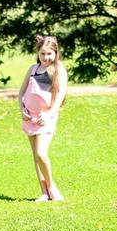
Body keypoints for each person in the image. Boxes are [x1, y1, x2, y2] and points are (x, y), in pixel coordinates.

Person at [19, 34, 68, 201]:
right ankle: (44, 193)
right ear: (38, 53)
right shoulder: (33, 69)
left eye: (49, 54)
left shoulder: (58, 70)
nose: (46, 57)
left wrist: (48, 114)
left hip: (46, 118)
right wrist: (22, 109)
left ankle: (52, 186)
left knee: (41, 153)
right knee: (35, 157)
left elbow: (60, 94)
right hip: (30, 118)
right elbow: (21, 92)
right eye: (43, 54)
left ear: (56, 53)